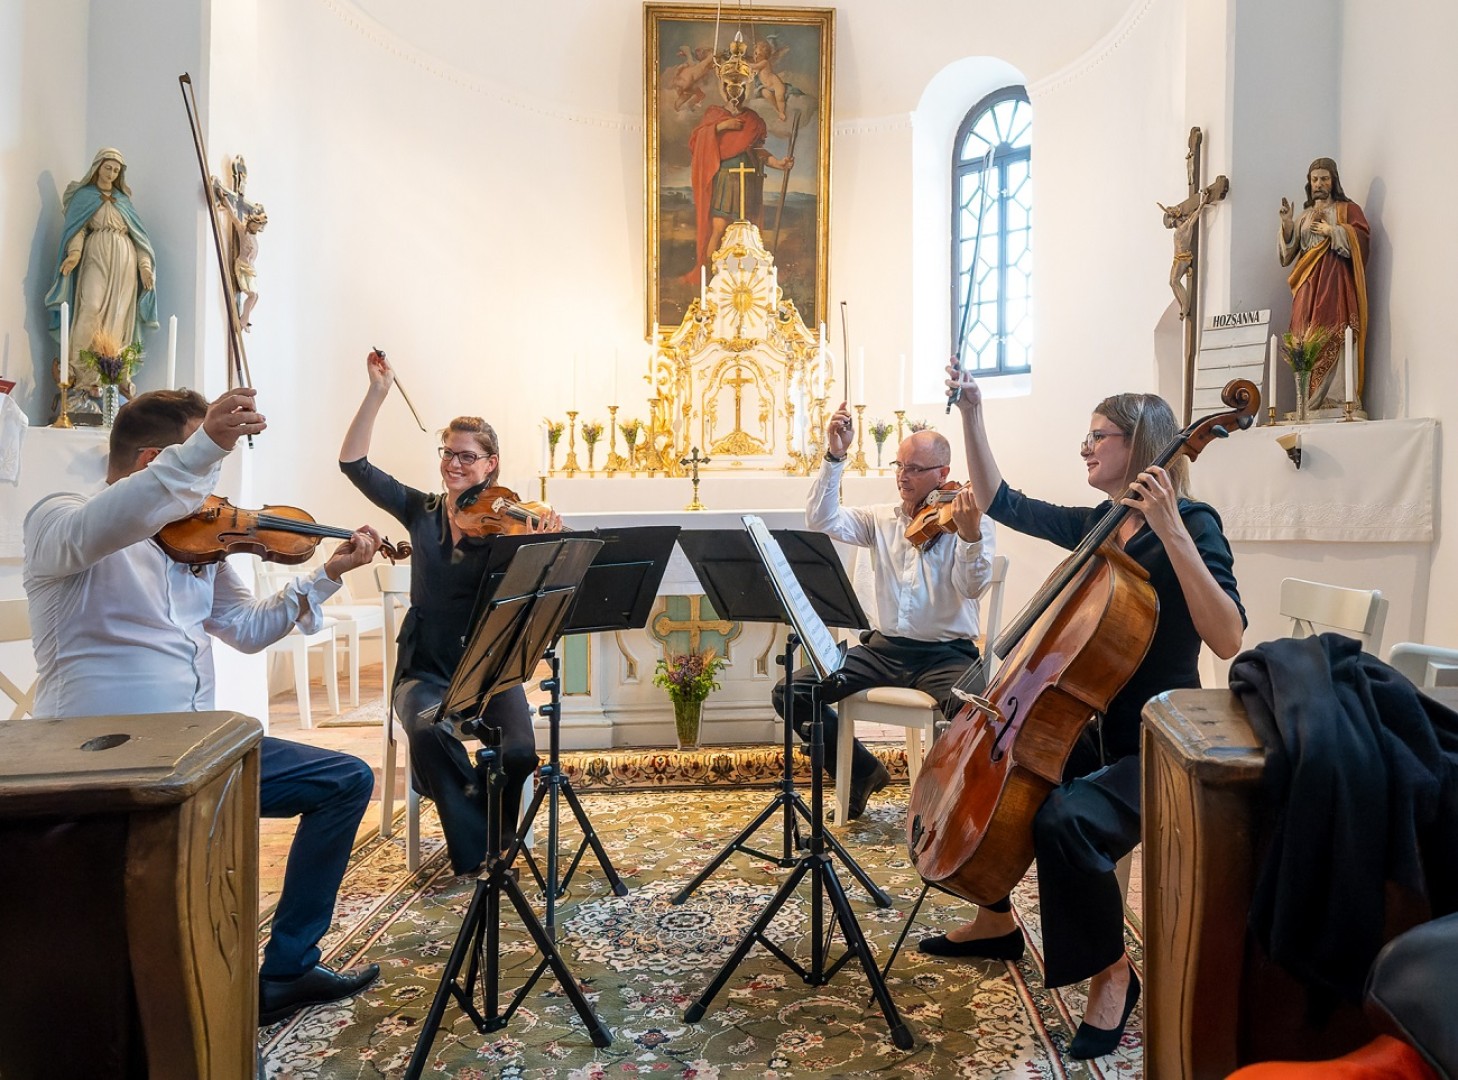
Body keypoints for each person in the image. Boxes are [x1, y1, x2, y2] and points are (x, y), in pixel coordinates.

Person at [22, 387, 383, 1027]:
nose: (212, 490)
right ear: (155, 461)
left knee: (345, 780)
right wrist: (205, 448)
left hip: (199, 756)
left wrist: (327, 574)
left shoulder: (196, 543)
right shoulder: (60, 519)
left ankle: (288, 969)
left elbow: (245, 627)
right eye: (202, 467)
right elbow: (104, 523)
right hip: (101, 767)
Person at [920, 366, 1246, 1059]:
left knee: (1064, 818)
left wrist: (1173, 532)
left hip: (1157, 739)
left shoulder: (1192, 524)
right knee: (1007, 787)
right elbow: (1003, 502)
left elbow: (1228, 636)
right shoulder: (1103, 523)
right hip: (1091, 724)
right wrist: (973, 412)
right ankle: (996, 921)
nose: (1085, 447)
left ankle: (1113, 973)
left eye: (1098, 436)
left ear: (1141, 444)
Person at [340, 350, 561, 875]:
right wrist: (377, 393)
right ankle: (483, 851)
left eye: (467, 456)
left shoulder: (509, 522)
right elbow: (354, 465)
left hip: (491, 669)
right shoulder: (420, 510)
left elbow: (535, 589)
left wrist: (544, 539)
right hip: (426, 669)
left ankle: (484, 830)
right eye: (448, 454)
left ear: (491, 465)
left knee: (520, 752)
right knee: (426, 730)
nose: (454, 464)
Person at [772, 401, 997, 820]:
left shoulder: (971, 519)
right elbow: (821, 519)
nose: (902, 476)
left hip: (946, 655)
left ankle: (956, 811)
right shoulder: (880, 519)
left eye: (914, 469)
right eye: (899, 466)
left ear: (943, 474)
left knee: (976, 713)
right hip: (882, 650)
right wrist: (835, 456)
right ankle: (862, 771)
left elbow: (972, 588)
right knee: (792, 691)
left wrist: (969, 539)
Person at [44, 148, 159, 387]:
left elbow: (140, 238)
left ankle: (107, 375)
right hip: (96, 255)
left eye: (116, 170)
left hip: (125, 262)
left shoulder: (123, 201)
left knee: (118, 316)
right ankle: (77, 368)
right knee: (91, 307)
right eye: (108, 168)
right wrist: (74, 254)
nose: (111, 173)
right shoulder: (84, 196)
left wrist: (145, 267)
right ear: (97, 167)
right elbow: (77, 229)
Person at [684, 35, 794, 282]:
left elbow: (758, 151)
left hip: (749, 182)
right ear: (723, 89)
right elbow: (697, 142)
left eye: (740, 88)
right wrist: (720, 127)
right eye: (730, 87)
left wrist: (778, 163)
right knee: (719, 228)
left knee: (750, 233)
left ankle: (749, 281)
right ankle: (709, 281)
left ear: (745, 90)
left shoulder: (753, 120)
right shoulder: (714, 115)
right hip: (725, 180)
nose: (735, 92)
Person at [1278, 157, 1370, 410]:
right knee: (1303, 336)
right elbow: (1288, 255)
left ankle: (1338, 397)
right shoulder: (1304, 216)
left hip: (1334, 280)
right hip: (1306, 286)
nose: (1319, 184)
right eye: (1315, 179)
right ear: (1309, 183)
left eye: (1324, 179)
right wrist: (1287, 225)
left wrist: (1334, 231)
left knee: (1334, 330)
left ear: (1334, 181)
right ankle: (1308, 401)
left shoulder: (1347, 210)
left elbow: (1362, 240)